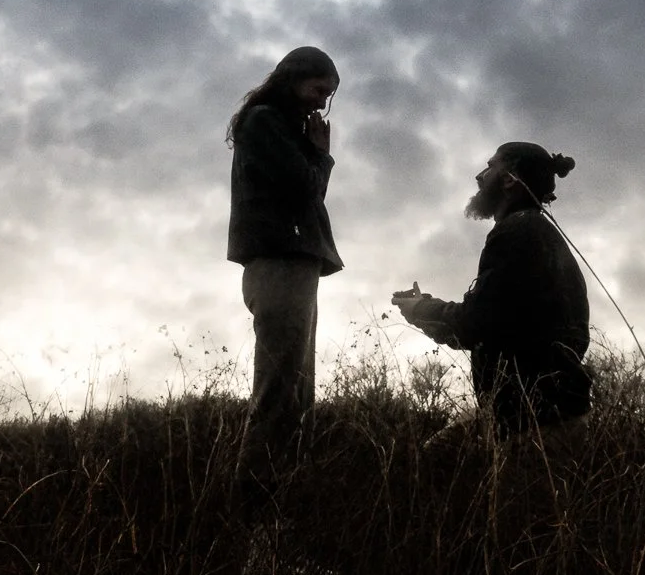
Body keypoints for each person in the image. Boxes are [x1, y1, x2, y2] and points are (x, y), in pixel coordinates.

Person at [391, 142, 590, 440]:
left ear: (509, 179)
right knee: (441, 451)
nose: (480, 176)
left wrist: (420, 308)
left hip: (536, 421)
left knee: (427, 464)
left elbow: (475, 324)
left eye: (490, 166)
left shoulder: (516, 234)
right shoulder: (538, 232)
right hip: (549, 411)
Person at [227, 46, 342, 521]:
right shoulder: (265, 121)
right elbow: (304, 187)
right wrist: (320, 154)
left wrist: (315, 157)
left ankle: (280, 520)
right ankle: (256, 522)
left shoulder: (278, 125)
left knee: (295, 392)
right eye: (318, 90)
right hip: (279, 263)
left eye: (329, 96)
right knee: (280, 395)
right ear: (293, 79)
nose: (321, 104)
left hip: (292, 264)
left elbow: (306, 191)